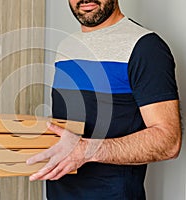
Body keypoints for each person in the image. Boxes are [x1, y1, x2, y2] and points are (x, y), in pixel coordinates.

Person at [27, 0, 182, 199]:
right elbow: (72, 125)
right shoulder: (66, 46)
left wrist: (88, 150)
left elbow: (169, 141)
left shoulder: (145, 47)